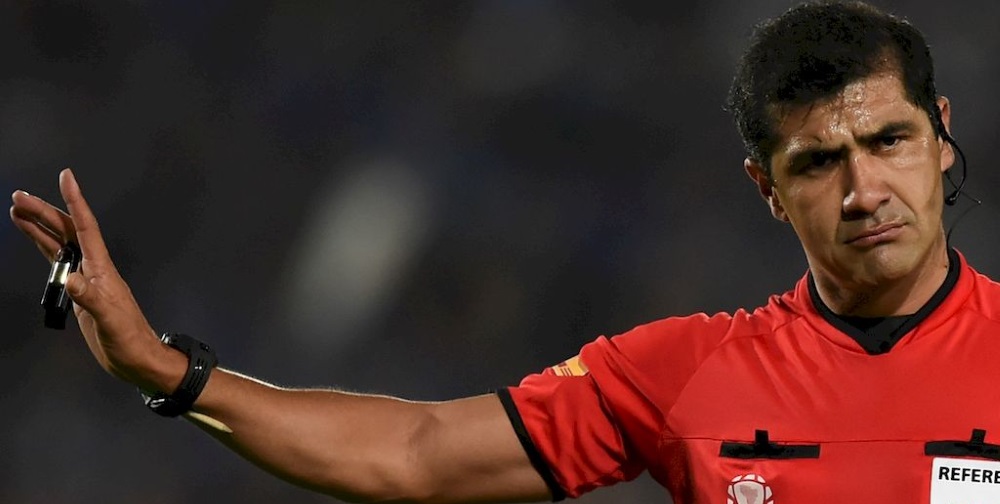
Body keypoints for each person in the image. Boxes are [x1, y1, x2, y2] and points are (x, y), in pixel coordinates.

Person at [10, 1, 997, 502]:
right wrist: (167, 372)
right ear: (766, 189)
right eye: (818, 162)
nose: (864, 190)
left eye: (890, 141)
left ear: (942, 134)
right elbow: (416, 455)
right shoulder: (688, 373)